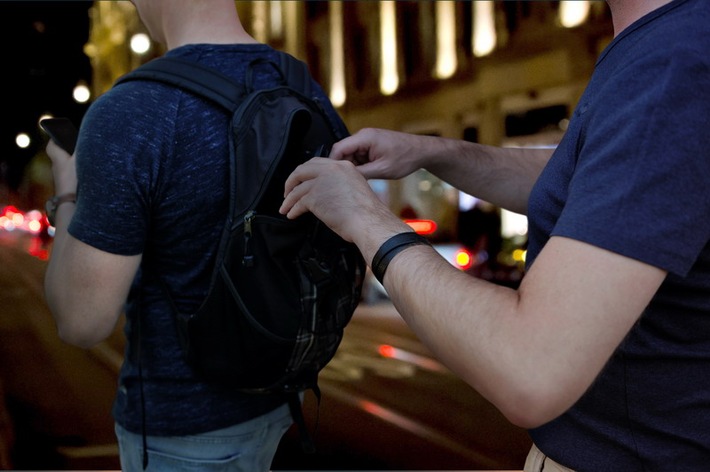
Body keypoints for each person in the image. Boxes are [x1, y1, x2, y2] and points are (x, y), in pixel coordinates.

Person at [280, 0, 710, 470]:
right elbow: (594, 179)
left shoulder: (672, 63)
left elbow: (532, 368)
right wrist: (435, 152)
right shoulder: (668, 42)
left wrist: (366, 218)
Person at [43, 1, 344, 470]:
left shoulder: (131, 111)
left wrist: (66, 191)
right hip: (281, 403)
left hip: (182, 434)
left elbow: (81, 321)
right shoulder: (300, 82)